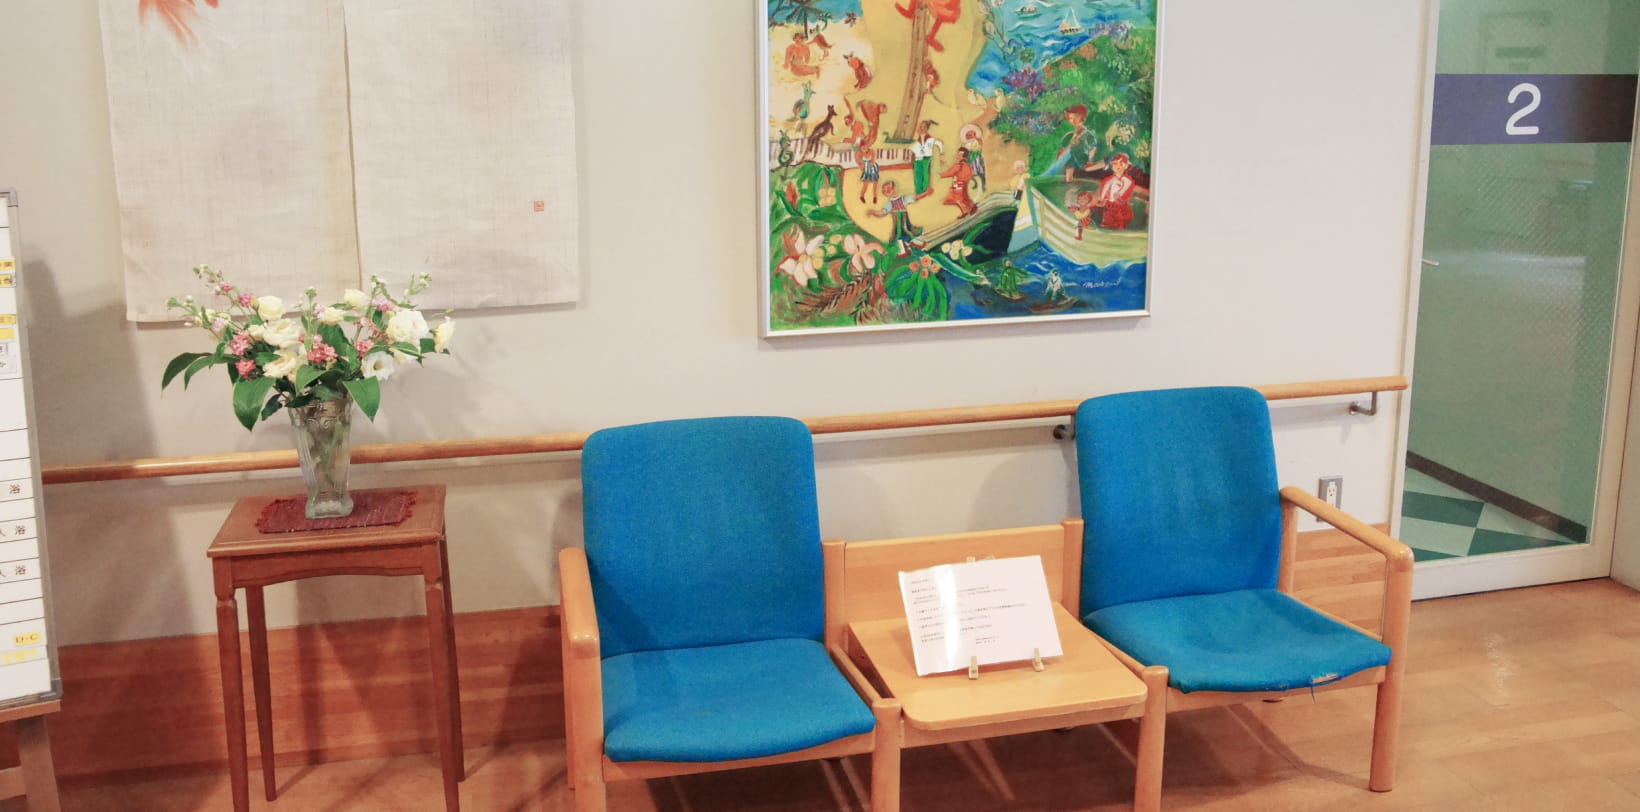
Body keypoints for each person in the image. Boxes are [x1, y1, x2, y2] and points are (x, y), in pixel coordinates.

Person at [866, 179, 933, 256]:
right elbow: (883, 212)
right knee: (898, 235)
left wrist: (926, 193)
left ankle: (915, 244)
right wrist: (873, 212)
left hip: (905, 221)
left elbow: (915, 198)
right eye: (884, 190)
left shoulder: (903, 199)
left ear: (894, 189)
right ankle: (903, 250)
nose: (886, 191)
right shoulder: (889, 203)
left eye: (888, 188)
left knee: (909, 232)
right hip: (897, 224)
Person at [1056, 104, 1104, 182]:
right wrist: (1060, 156)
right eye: (1071, 118)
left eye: (1076, 117)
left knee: (1087, 168)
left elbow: (1093, 148)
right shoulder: (1069, 136)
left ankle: (1104, 162)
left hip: (1082, 155)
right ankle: (1068, 181)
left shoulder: (1087, 134)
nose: (1073, 120)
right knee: (1069, 168)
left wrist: (1089, 159)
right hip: (1072, 156)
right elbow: (1063, 149)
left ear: (1082, 117)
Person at [1091, 153, 1138, 230]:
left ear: (1126, 166)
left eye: (1121, 164)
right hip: (1109, 204)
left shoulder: (1128, 180)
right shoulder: (1109, 180)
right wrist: (1103, 200)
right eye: (1115, 164)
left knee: (1119, 220)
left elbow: (1127, 192)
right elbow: (1104, 190)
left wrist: (1120, 199)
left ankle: (1119, 229)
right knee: (1108, 220)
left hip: (1120, 204)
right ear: (1111, 166)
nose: (1118, 166)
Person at [939, 149, 978, 218]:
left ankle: (966, 210)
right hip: (963, 183)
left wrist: (940, 175)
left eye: (959, 154)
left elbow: (950, 173)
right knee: (963, 197)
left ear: (962, 156)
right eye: (957, 153)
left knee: (957, 198)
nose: (956, 155)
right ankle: (970, 208)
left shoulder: (959, 165)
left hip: (959, 183)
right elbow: (970, 173)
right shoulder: (965, 165)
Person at [910, 119, 943, 195]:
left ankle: (925, 191)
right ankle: (918, 192)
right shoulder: (917, 140)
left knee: (925, 175)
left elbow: (940, 144)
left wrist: (941, 155)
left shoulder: (930, 139)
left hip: (926, 159)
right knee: (917, 176)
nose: (921, 129)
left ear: (927, 129)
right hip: (917, 160)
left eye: (924, 127)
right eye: (920, 127)